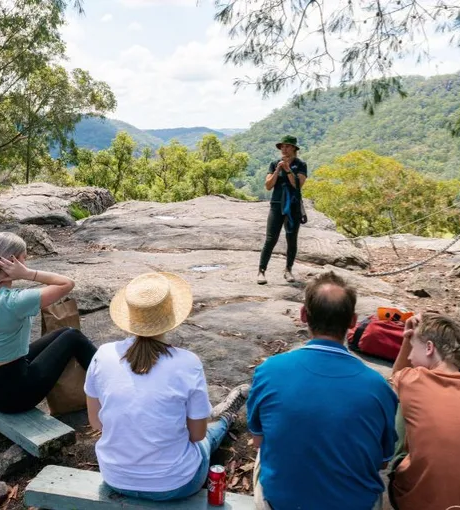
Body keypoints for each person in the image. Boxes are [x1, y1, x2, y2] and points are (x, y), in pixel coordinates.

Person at [84, 272, 250, 501]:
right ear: (171, 314)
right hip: (176, 484)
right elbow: (196, 434)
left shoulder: (102, 355)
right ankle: (226, 417)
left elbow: (96, 421)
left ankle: (221, 416)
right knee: (207, 436)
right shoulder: (187, 363)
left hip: (115, 477)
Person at [248, 271, 397, 510]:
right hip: (355, 504)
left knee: (264, 452)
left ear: (303, 315)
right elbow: (382, 462)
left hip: (282, 503)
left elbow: (258, 440)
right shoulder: (378, 386)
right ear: (352, 321)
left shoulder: (269, 371)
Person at [0, 232, 97, 414]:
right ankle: (110, 380)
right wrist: (28, 274)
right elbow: (67, 284)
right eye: (24, 260)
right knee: (73, 337)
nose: (25, 264)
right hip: (15, 396)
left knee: (64, 332)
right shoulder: (14, 301)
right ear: (12, 262)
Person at [388, 313, 460, 510]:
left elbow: (391, 387)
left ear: (429, 348)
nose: (409, 356)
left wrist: (406, 339)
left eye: (413, 349)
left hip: (415, 503)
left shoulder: (412, 381)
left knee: (399, 408)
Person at [257, 135, 307, 285]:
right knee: (271, 239)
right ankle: (261, 271)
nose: (284, 149)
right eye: (282, 147)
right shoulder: (274, 164)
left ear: (293, 148)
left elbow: (298, 185)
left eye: (287, 146)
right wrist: (278, 168)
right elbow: (268, 185)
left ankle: (288, 270)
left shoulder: (300, 164)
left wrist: (288, 170)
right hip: (276, 205)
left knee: (291, 239)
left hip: (293, 207)